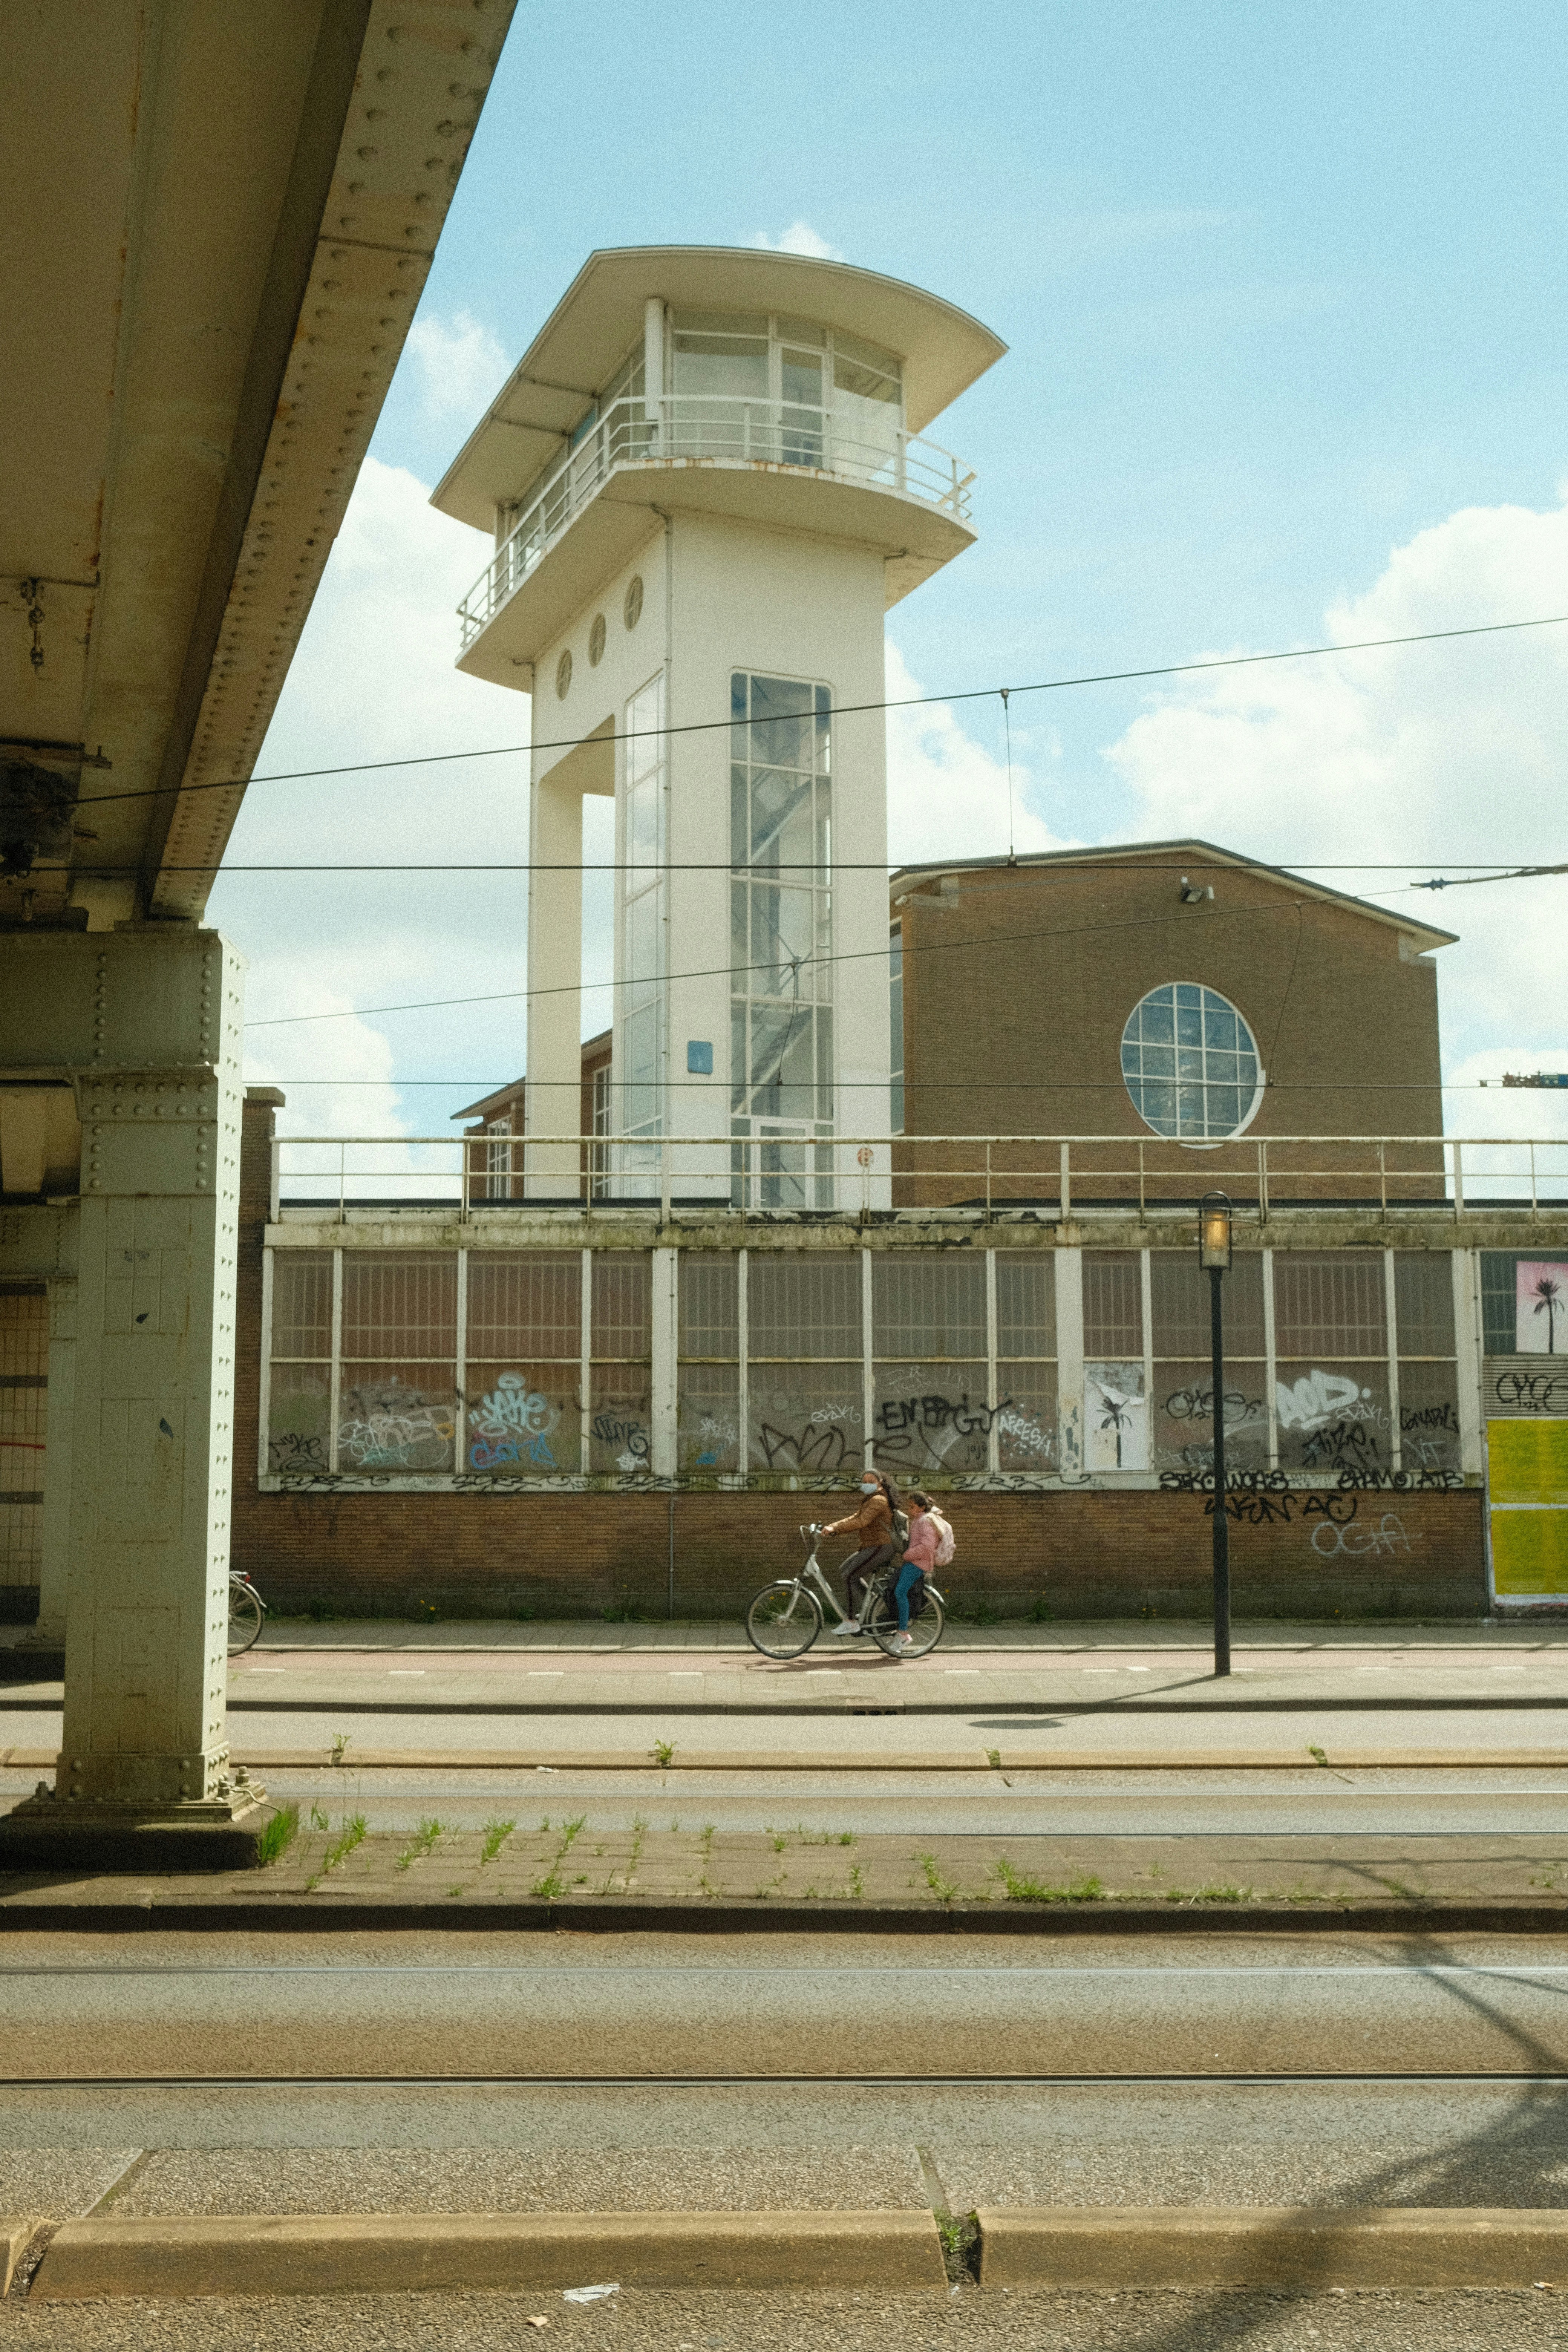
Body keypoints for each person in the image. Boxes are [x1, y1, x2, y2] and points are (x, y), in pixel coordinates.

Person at [823, 1468, 899, 1636]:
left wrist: (835, 1530)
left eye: (871, 1482)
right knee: (845, 1570)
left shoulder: (879, 1500)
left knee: (850, 1575)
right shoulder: (870, 1500)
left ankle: (851, 1621)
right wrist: (832, 1526)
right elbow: (854, 1517)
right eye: (865, 1482)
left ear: (880, 1484)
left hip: (882, 1547)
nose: (867, 1485)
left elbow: (862, 1522)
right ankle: (873, 1604)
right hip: (872, 1546)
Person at [889, 1490, 940, 1652]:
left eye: (912, 1507)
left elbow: (928, 1546)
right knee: (899, 1591)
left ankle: (903, 1633)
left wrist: (907, 1554)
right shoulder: (920, 1520)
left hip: (919, 1564)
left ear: (922, 1507)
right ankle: (899, 1627)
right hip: (916, 1562)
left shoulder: (924, 1521)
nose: (909, 1511)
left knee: (900, 1592)